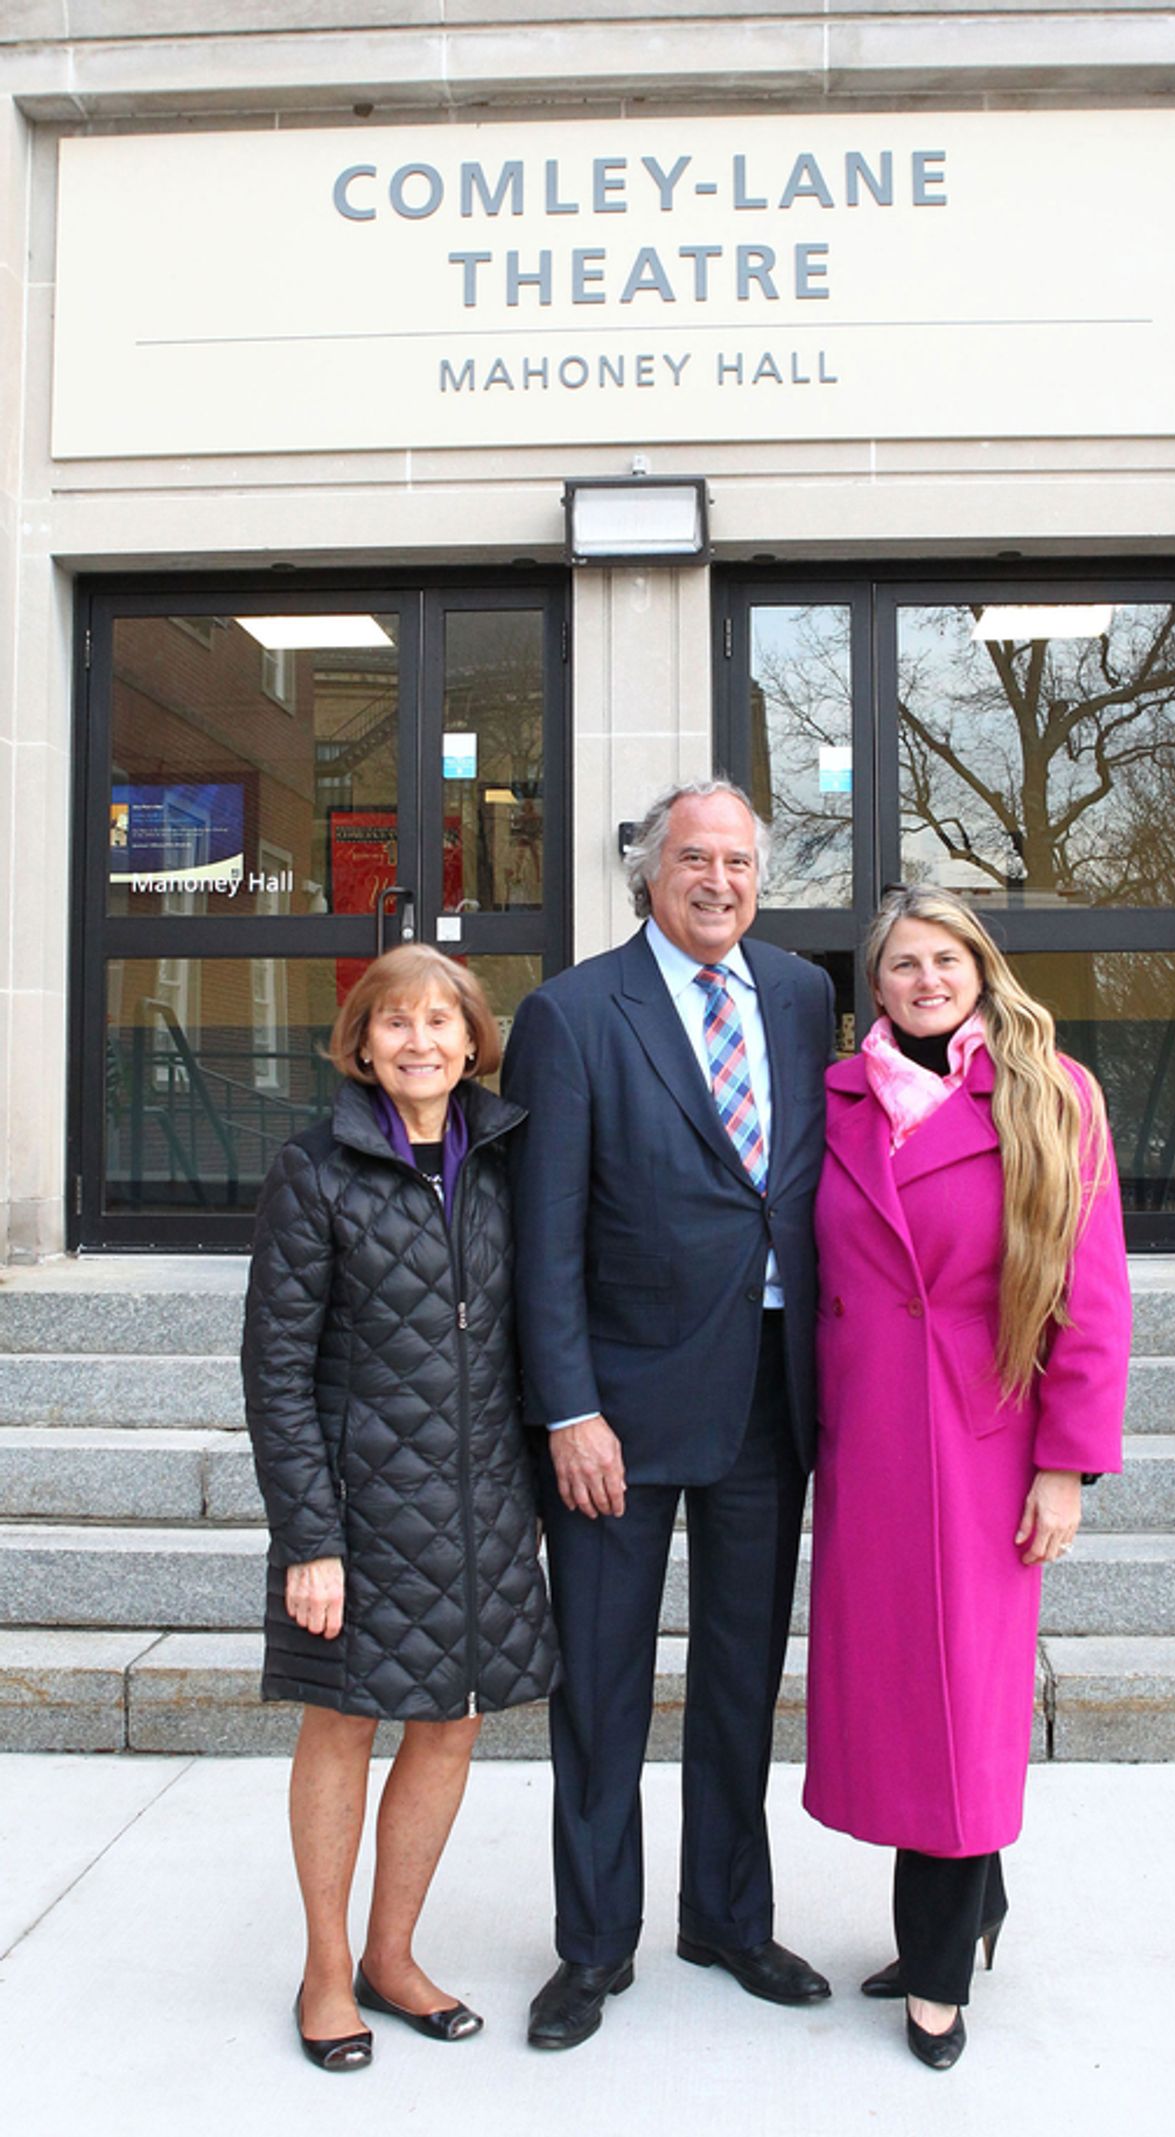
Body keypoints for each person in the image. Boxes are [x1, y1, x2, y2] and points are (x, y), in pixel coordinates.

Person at [503, 779, 835, 2051]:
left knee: (743, 1675)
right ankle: (592, 1946)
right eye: (692, 858)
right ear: (646, 871)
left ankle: (727, 1918)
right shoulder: (573, 1013)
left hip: (768, 1390)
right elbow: (544, 1241)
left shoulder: (803, 998)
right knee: (600, 1686)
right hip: (619, 1412)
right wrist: (567, 1407)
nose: (717, 881)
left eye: (738, 861)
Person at [803, 886, 1130, 2071]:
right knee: (906, 1703)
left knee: (961, 1707)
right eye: (901, 965)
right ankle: (965, 1908)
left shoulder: (1051, 1094)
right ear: (873, 987)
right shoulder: (838, 1100)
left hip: (984, 1447)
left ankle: (937, 1964)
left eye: (944, 958)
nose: (925, 979)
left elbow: (1092, 1301)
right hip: (866, 1446)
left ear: (980, 970)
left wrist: (1066, 1467)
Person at [243, 943, 558, 2072]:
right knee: (342, 1720)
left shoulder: (510, 1164)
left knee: (454, 1718)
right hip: (360, 1506)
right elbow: (274, 1369)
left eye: (441, 1021)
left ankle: (392, 1953)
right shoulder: (314, 1172)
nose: (420, 1040)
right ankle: (326, 1968)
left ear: (473, 1041)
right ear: (362, 1044)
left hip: (482, 1504)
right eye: (394, 1023)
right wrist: (308, 1538)